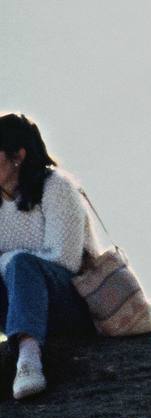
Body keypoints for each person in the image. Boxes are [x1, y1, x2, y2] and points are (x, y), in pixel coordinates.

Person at [0, 114, 98, 399]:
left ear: (17, 155)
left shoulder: (56, 186)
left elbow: (64, 259)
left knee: (20, 264)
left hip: (69, 301)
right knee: (18, 264)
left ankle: (29, 361)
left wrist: (9, 260)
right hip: (20, 303)